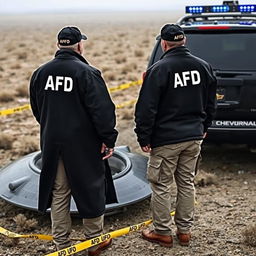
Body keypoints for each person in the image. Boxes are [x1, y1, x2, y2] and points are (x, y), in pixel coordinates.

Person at [29, 26, 118, 256]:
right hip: (83, 144)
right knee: (91, 188)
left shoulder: (40, 73)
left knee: (59, 191)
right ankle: (94, 243)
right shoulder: (87, 73)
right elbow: (103, 111)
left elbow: (38, 109)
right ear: (79, 45)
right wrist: (107, 138)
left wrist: (52, 128)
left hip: (53, 142)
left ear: (58, 45)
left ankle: (62, 245)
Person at [134, 24, 217, 248]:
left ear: (163, 43)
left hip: (166, 140)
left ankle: (162, 232)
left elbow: (146, 109)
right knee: (186, 183)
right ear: (184, 41)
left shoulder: (159, 69)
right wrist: (204, 126)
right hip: (193, 137)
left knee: (161, 185)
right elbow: (211, 103)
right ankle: (185, 232)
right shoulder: (203, 67)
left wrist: (144, 137)